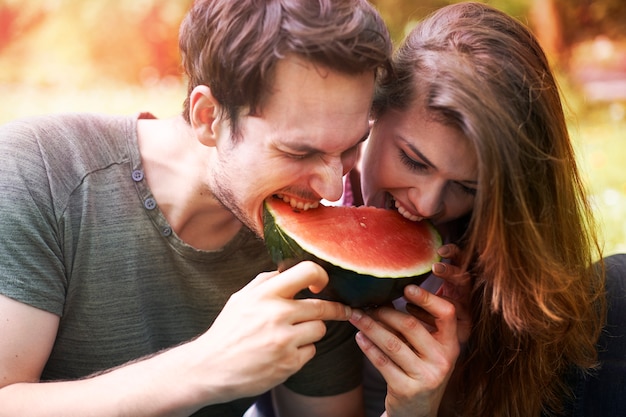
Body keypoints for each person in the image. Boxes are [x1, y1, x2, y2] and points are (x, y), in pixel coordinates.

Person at [0, 0, 392, 416]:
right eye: (299, 152)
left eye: (351, 147)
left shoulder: (308, 263)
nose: (333, 187)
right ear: (209, 117)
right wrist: (203, 368)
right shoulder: (39, 171)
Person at [348, 2, 617, 416]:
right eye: (414, 161)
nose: (427, 203)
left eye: (465, 187)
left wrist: (464, 370)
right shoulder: (298, 199)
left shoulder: (492, 260)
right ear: (374, 110)